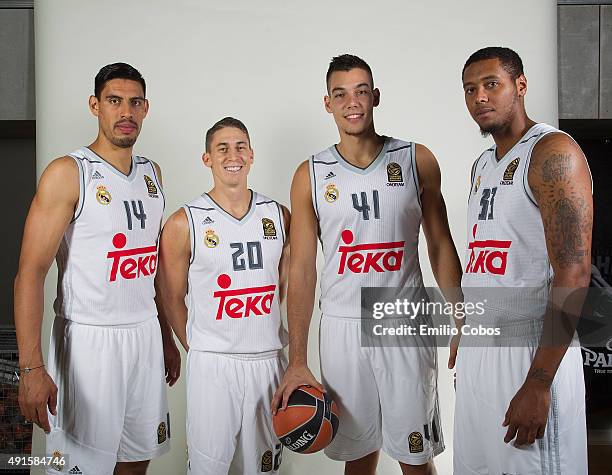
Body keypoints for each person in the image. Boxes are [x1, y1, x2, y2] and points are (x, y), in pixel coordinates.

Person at [271, 54, 462, 475]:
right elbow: (301, 268)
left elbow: (441, 245)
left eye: (361, 92)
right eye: (341, 94)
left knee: (416, 457)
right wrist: (298, 358)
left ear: (375, 97)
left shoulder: (416, 159)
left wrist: (460, 317)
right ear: (328, 103)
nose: (352, 102)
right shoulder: (311, 174)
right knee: (358, 460)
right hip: (342, 324)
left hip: (401, 318)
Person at [14, 63, 180, 475]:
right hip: (87, 342)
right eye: (114, 101)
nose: (126, 111)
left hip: (142, 337)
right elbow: (30, 273)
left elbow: (150, 267)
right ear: (95, 106)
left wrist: (165, 335)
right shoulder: (68, 173)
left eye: (135, 102)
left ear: (145, 109)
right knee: (78, 468)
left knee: (135, 460)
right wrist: (31, 366)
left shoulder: (152, 174)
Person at [455, 46, 592, 474]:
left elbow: (574, 270)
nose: (480, 97)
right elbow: (487, 255)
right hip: (482, 350)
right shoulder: (482, 164)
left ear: (521, 85)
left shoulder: (551, 152)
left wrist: (538, 382)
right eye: (470, 89)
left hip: (530, 350)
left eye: (491, 84)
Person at [156, 117, 290, 475]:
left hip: (268, 361)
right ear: (207, 159)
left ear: (252, 155)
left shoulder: (278, 215)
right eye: (223, 148)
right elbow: (171, 296)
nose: (234, 155)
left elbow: (285, 286)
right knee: (207, 468)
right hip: (214, 365)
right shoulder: (185, 222)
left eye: (241, 146)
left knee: (264, 468)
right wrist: (199, 346)